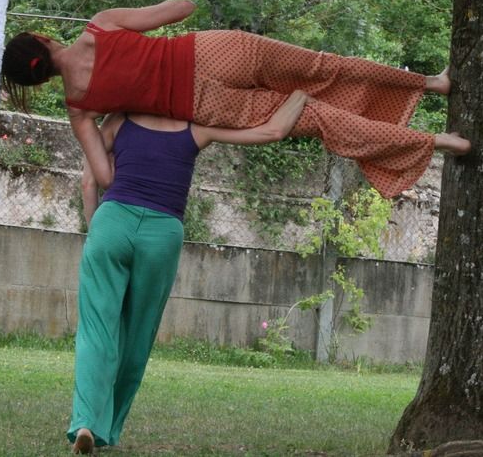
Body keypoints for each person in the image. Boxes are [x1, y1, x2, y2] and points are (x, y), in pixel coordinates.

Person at [1, 0, 470, 199]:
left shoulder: (79, 109)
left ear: (37, 80)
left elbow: (104, 177)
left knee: (319, 118)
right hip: (215, 51)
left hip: (202, 107)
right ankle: (431, 84)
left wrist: (123, 107)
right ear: (42, 38)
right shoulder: (100, 23)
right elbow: (182, 9)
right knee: (323, 67)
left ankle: (440, 142)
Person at [67, 90, 310, 454]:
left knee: (96, 332)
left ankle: (86, 421)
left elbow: (89, 183)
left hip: (112, 221)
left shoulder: (117, 119)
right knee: (137, 335)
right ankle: (107, 429)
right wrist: (304, 91)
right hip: (162, 233)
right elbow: (271, 132)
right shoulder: (196, 128)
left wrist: (95, 230)